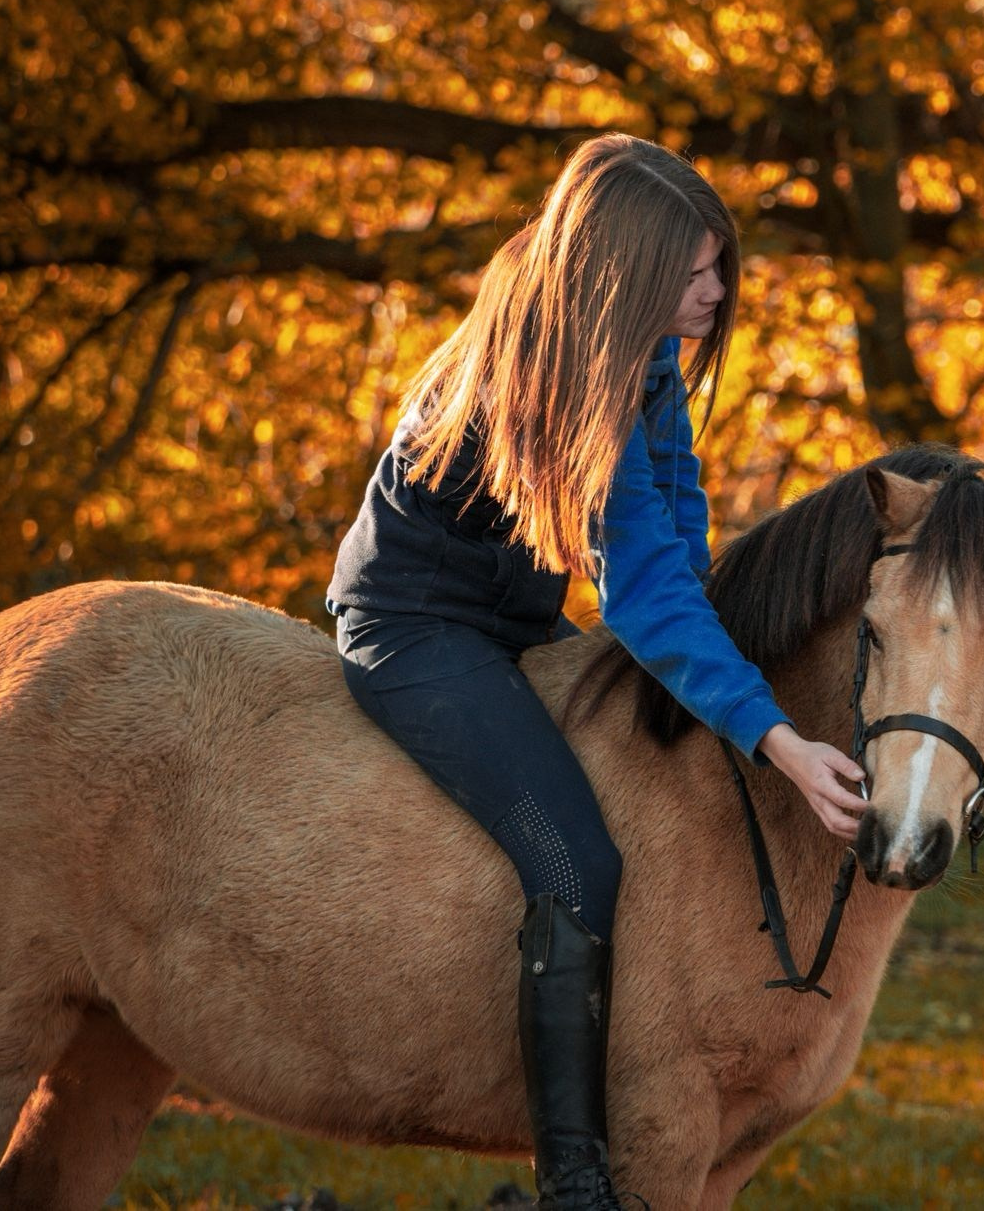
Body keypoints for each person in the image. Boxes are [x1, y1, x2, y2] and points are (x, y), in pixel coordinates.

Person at [323, 133, 868, 1209]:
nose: (717, 292)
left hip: (517, 626)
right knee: (575, 863)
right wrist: (780, 739)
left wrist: (721, 651)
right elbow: (643, 587)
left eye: (719, 267)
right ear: (626, 272)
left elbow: (676, 512)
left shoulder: (638, 346)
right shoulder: (563, 366)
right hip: (419, 630)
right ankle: (574, 1176)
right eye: (695, 271)